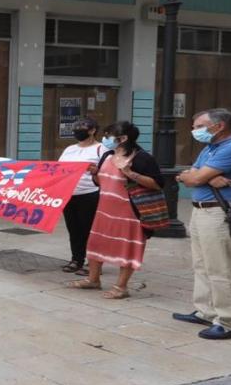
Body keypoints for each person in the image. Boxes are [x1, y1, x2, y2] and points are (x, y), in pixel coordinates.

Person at [68, 121, 163, 300]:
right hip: (104, 210)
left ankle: (121, 286)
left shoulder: (142, 158)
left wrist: (129, 172)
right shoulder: (107, 155)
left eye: (108, 135)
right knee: (96, 243)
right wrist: (95, 173)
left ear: (123, 138)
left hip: (129, 213)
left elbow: (157, 184)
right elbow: (101, 181)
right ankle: (93, 279)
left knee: (127, 247)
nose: (105, 139)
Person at [173, 109, 231, 340]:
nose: (194, 131)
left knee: (221, 268)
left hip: (218, 213)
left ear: (219, 126)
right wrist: (208, 176)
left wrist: (201, 176)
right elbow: (186, 174)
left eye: (199, 126)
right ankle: (206, 310)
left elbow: (194, 178)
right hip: (200, 210)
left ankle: (229, 321)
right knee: (202, 265)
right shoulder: (210, 148)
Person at [58, 118, 104, 275]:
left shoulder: (101, 149)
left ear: (92, 130)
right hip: (70, 194)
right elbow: (58, 169)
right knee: (74, 229)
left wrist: (96, 171)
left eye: (82, 127)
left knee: (89, 229)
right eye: (76, 127)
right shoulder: (70, 149)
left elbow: (107, 171)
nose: (77, 130)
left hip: (90, 193)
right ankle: (76, 259)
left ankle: (93, 264)